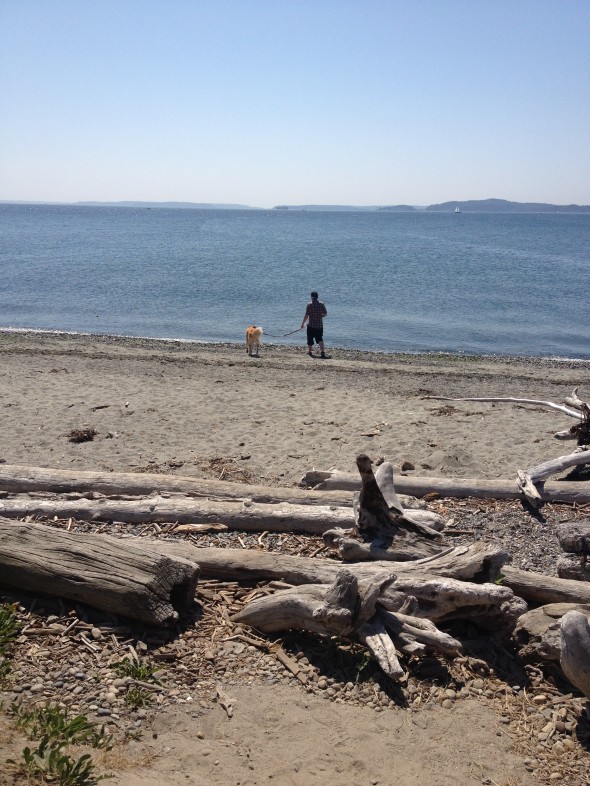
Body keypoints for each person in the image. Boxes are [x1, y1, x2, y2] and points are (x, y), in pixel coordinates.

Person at [300, 291, 328, 358]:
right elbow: (325, 313)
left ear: (311, 297)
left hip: (311, 325)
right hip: (319, 325)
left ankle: (309, 351)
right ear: (317, 297)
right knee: (320, 339)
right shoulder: (321, 304)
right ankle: (322, 352)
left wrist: (302, 323)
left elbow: (306, 315)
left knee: (310, 338)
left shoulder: (309, 304)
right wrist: (320, 316)